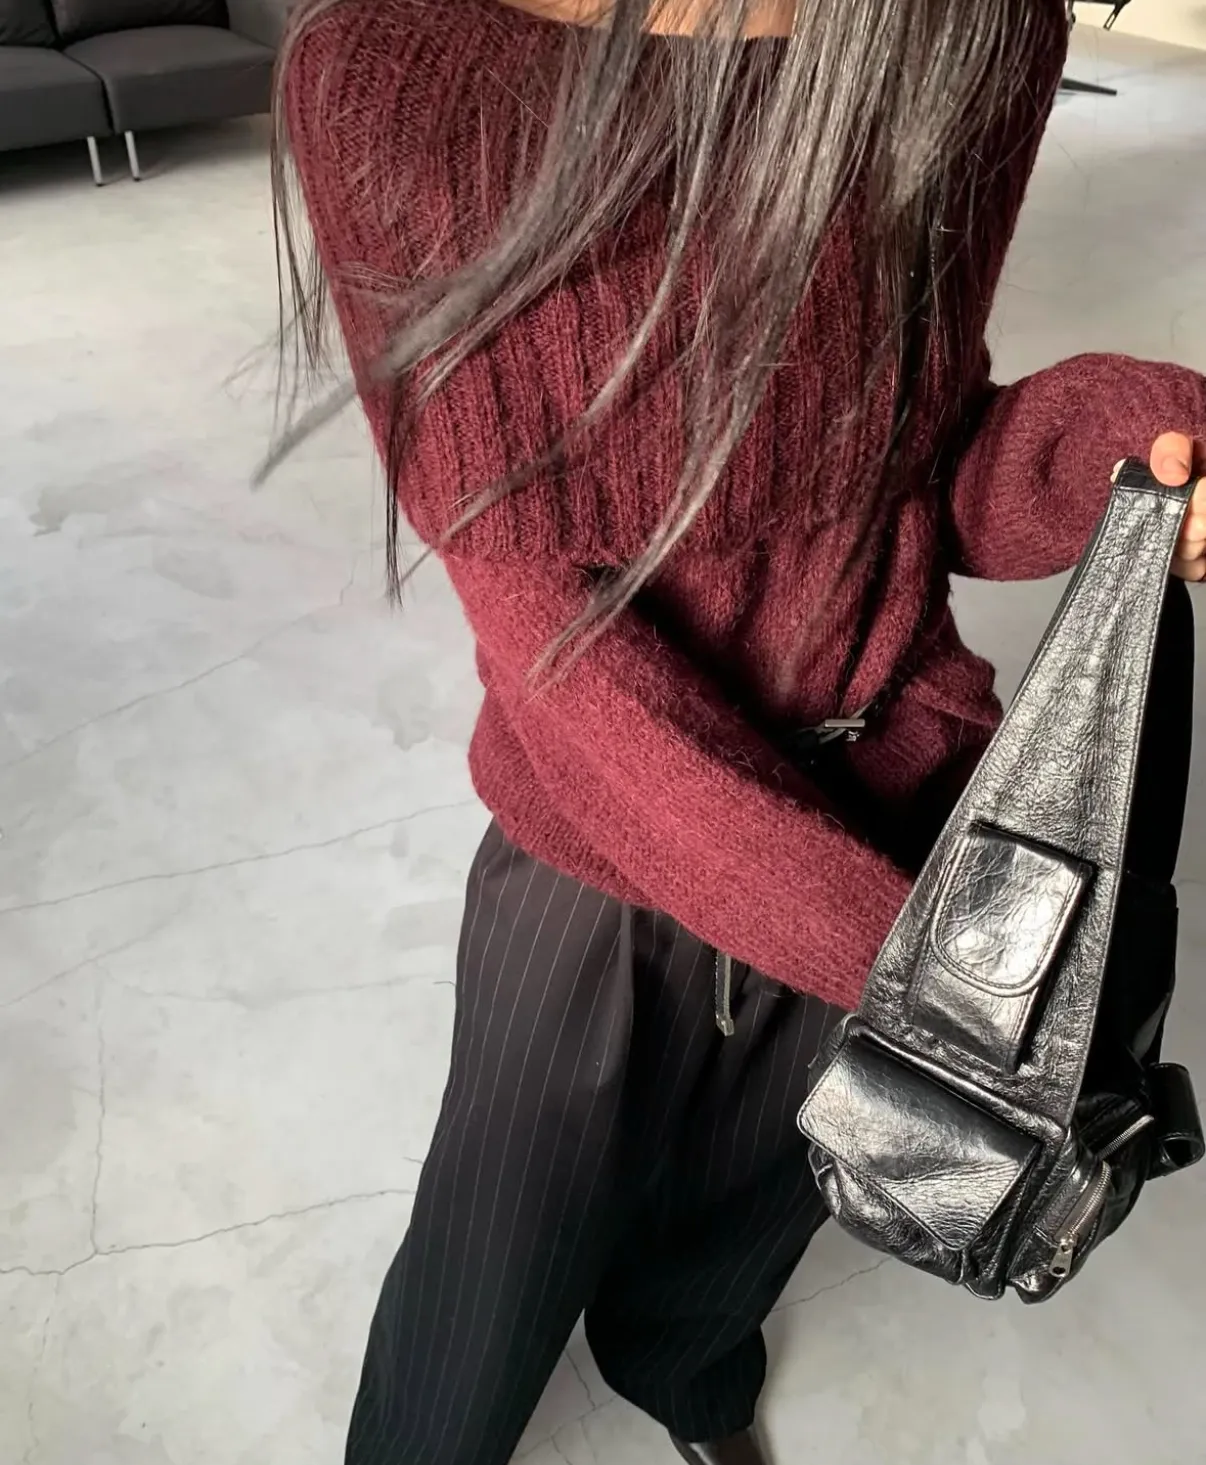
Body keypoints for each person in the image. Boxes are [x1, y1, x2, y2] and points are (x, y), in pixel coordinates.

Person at [269, 3, 1206, 1462]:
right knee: (491, 1250)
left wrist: (1125, 447)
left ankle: (685, 1370)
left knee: (756, 1199)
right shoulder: (400, 73)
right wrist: (918, 982)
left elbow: (921, 459)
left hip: (893, 804)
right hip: (600, 846)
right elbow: (547, 644)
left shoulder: (956, 28)